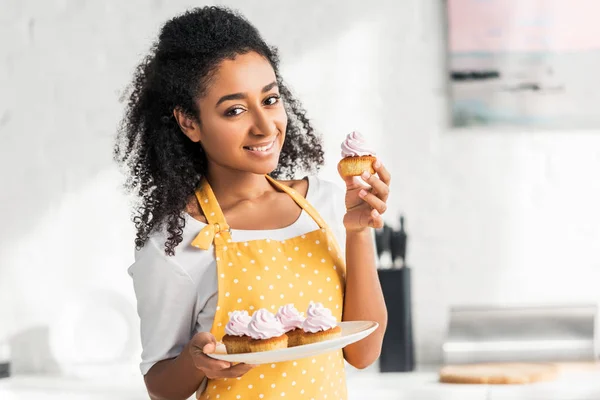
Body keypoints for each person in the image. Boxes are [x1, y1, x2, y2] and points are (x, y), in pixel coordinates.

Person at [114, 6, 389, 400]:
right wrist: (195, 361)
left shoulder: (329, 204)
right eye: (235, 110)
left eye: (270, 99)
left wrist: (358, 232)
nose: (264, 126)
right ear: (189, 122)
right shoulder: (177, 241)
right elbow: (160, 386)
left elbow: (363, 352)